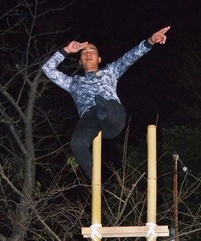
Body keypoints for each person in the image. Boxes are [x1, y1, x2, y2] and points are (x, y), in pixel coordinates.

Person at [42, 26, 170, 180]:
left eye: (92, 51)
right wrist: (66, 50)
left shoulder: (110, 71)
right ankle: (95, 176)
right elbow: (47, 69)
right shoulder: (73, 83)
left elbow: (130, 56)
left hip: (112, 117)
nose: (88, 53)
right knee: (76, 143)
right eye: (84, 52)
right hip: (91, 117)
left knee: (108, 106)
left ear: (99, 59)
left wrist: (150, 41)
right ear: (80, 62)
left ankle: (105, 108)